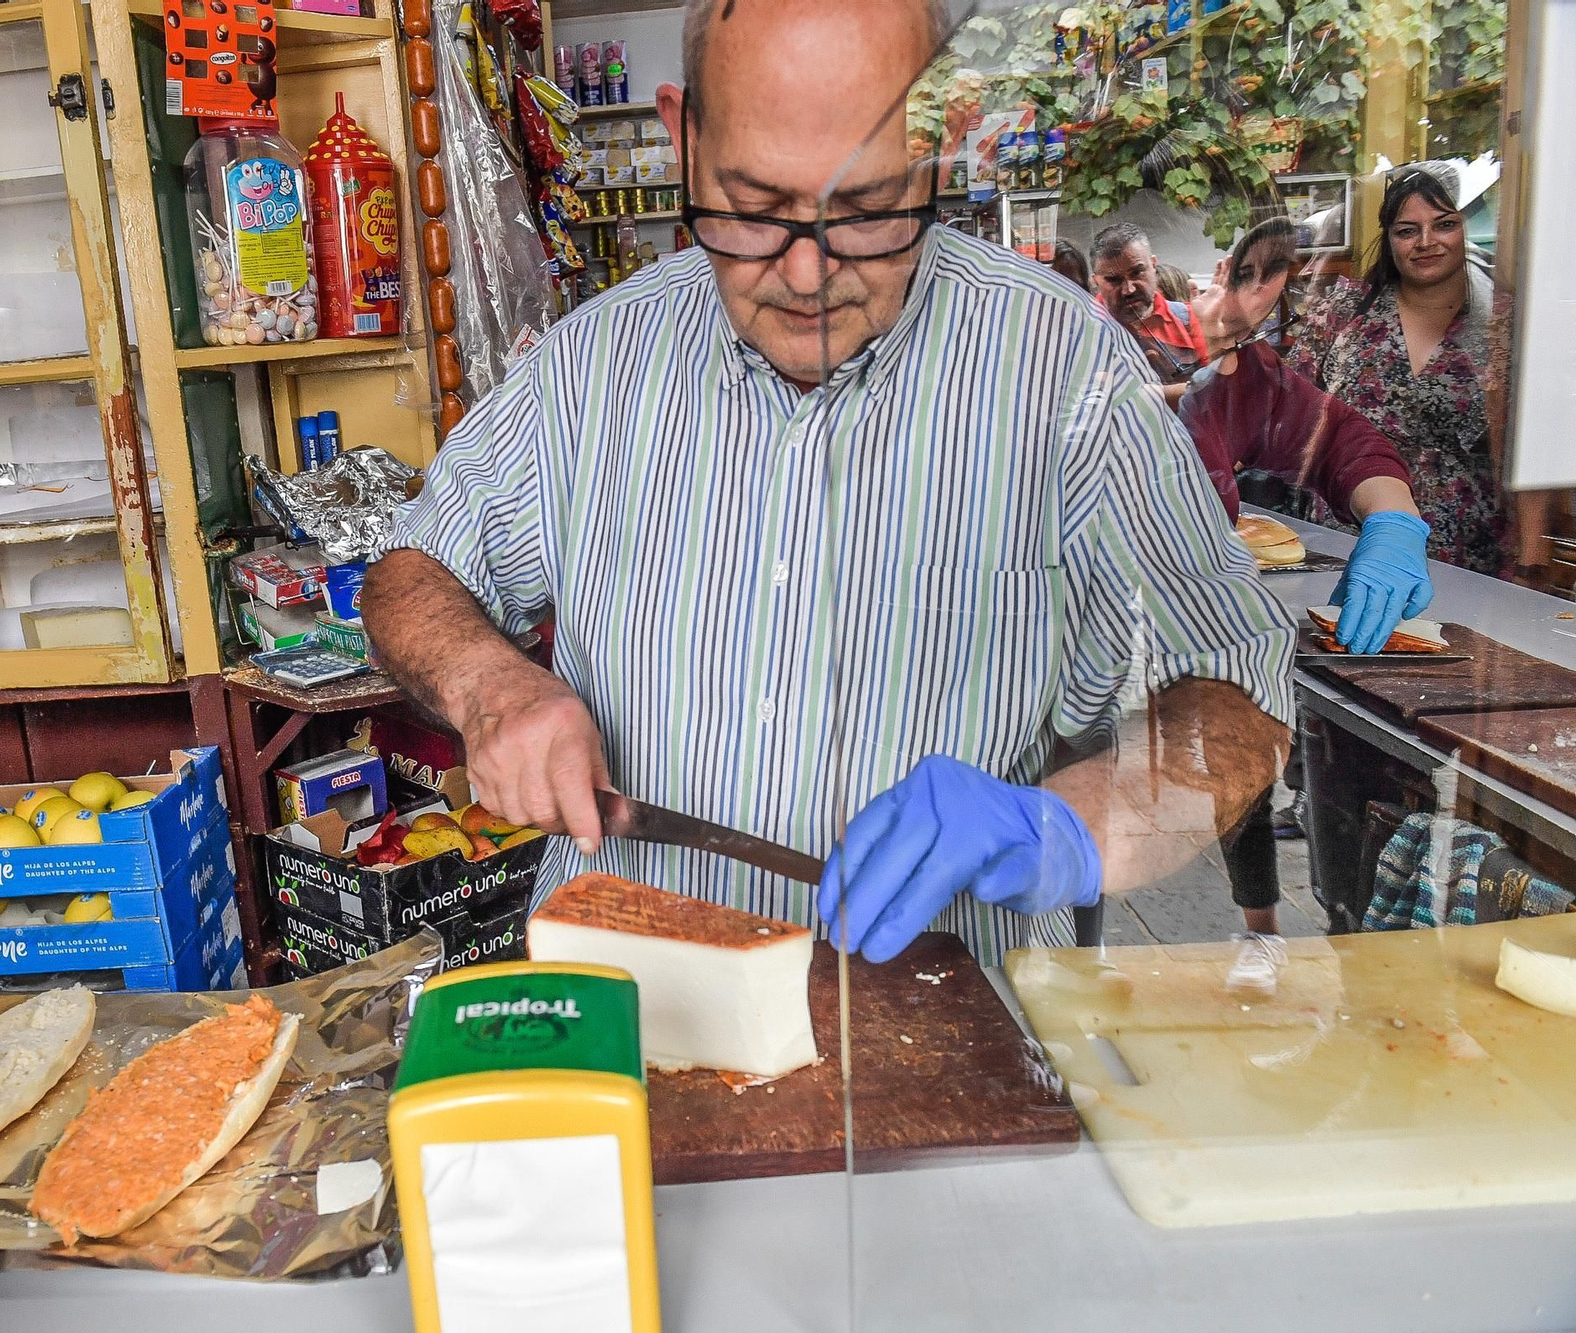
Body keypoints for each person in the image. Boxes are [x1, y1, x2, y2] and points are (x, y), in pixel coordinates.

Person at [364, 0, 1293, 966]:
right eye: (755, 211)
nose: (807, 274)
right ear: (682, 139)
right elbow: (410, 570)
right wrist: (490, 687)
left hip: (949, 1036)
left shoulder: (1066, 370)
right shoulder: (592, 362)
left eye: (867, 212)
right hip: (629, 1021)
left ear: (937, 153)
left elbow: (1241, 696)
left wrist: (1061, 826)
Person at [1179, 217, 1434, 989]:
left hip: (1200, 615)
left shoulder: (1241, 375)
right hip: (1067, 629)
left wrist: (1393, 518)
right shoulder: (1096, 354)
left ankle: (1265, 931)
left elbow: (1336, 442)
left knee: (1239, 759)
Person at [1288, 163, 1506, 574]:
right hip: (1349, 535)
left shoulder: (1502, 323)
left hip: (1467, 552)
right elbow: (1285, 402)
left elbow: (1533, 440)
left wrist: (1531, 552)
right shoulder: (1346, 311)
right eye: (1407, 231)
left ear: (1466, 231)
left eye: (1444, 225)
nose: (1426, 242)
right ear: (1389, 240)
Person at [1091, 222, 1211, 395]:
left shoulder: (1190, 317)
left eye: (1137, 273)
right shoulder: (1085, 331)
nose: (1128, 289)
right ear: (1096, 282)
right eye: (1114, 280)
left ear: (1153, 265)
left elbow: (1217, 389)